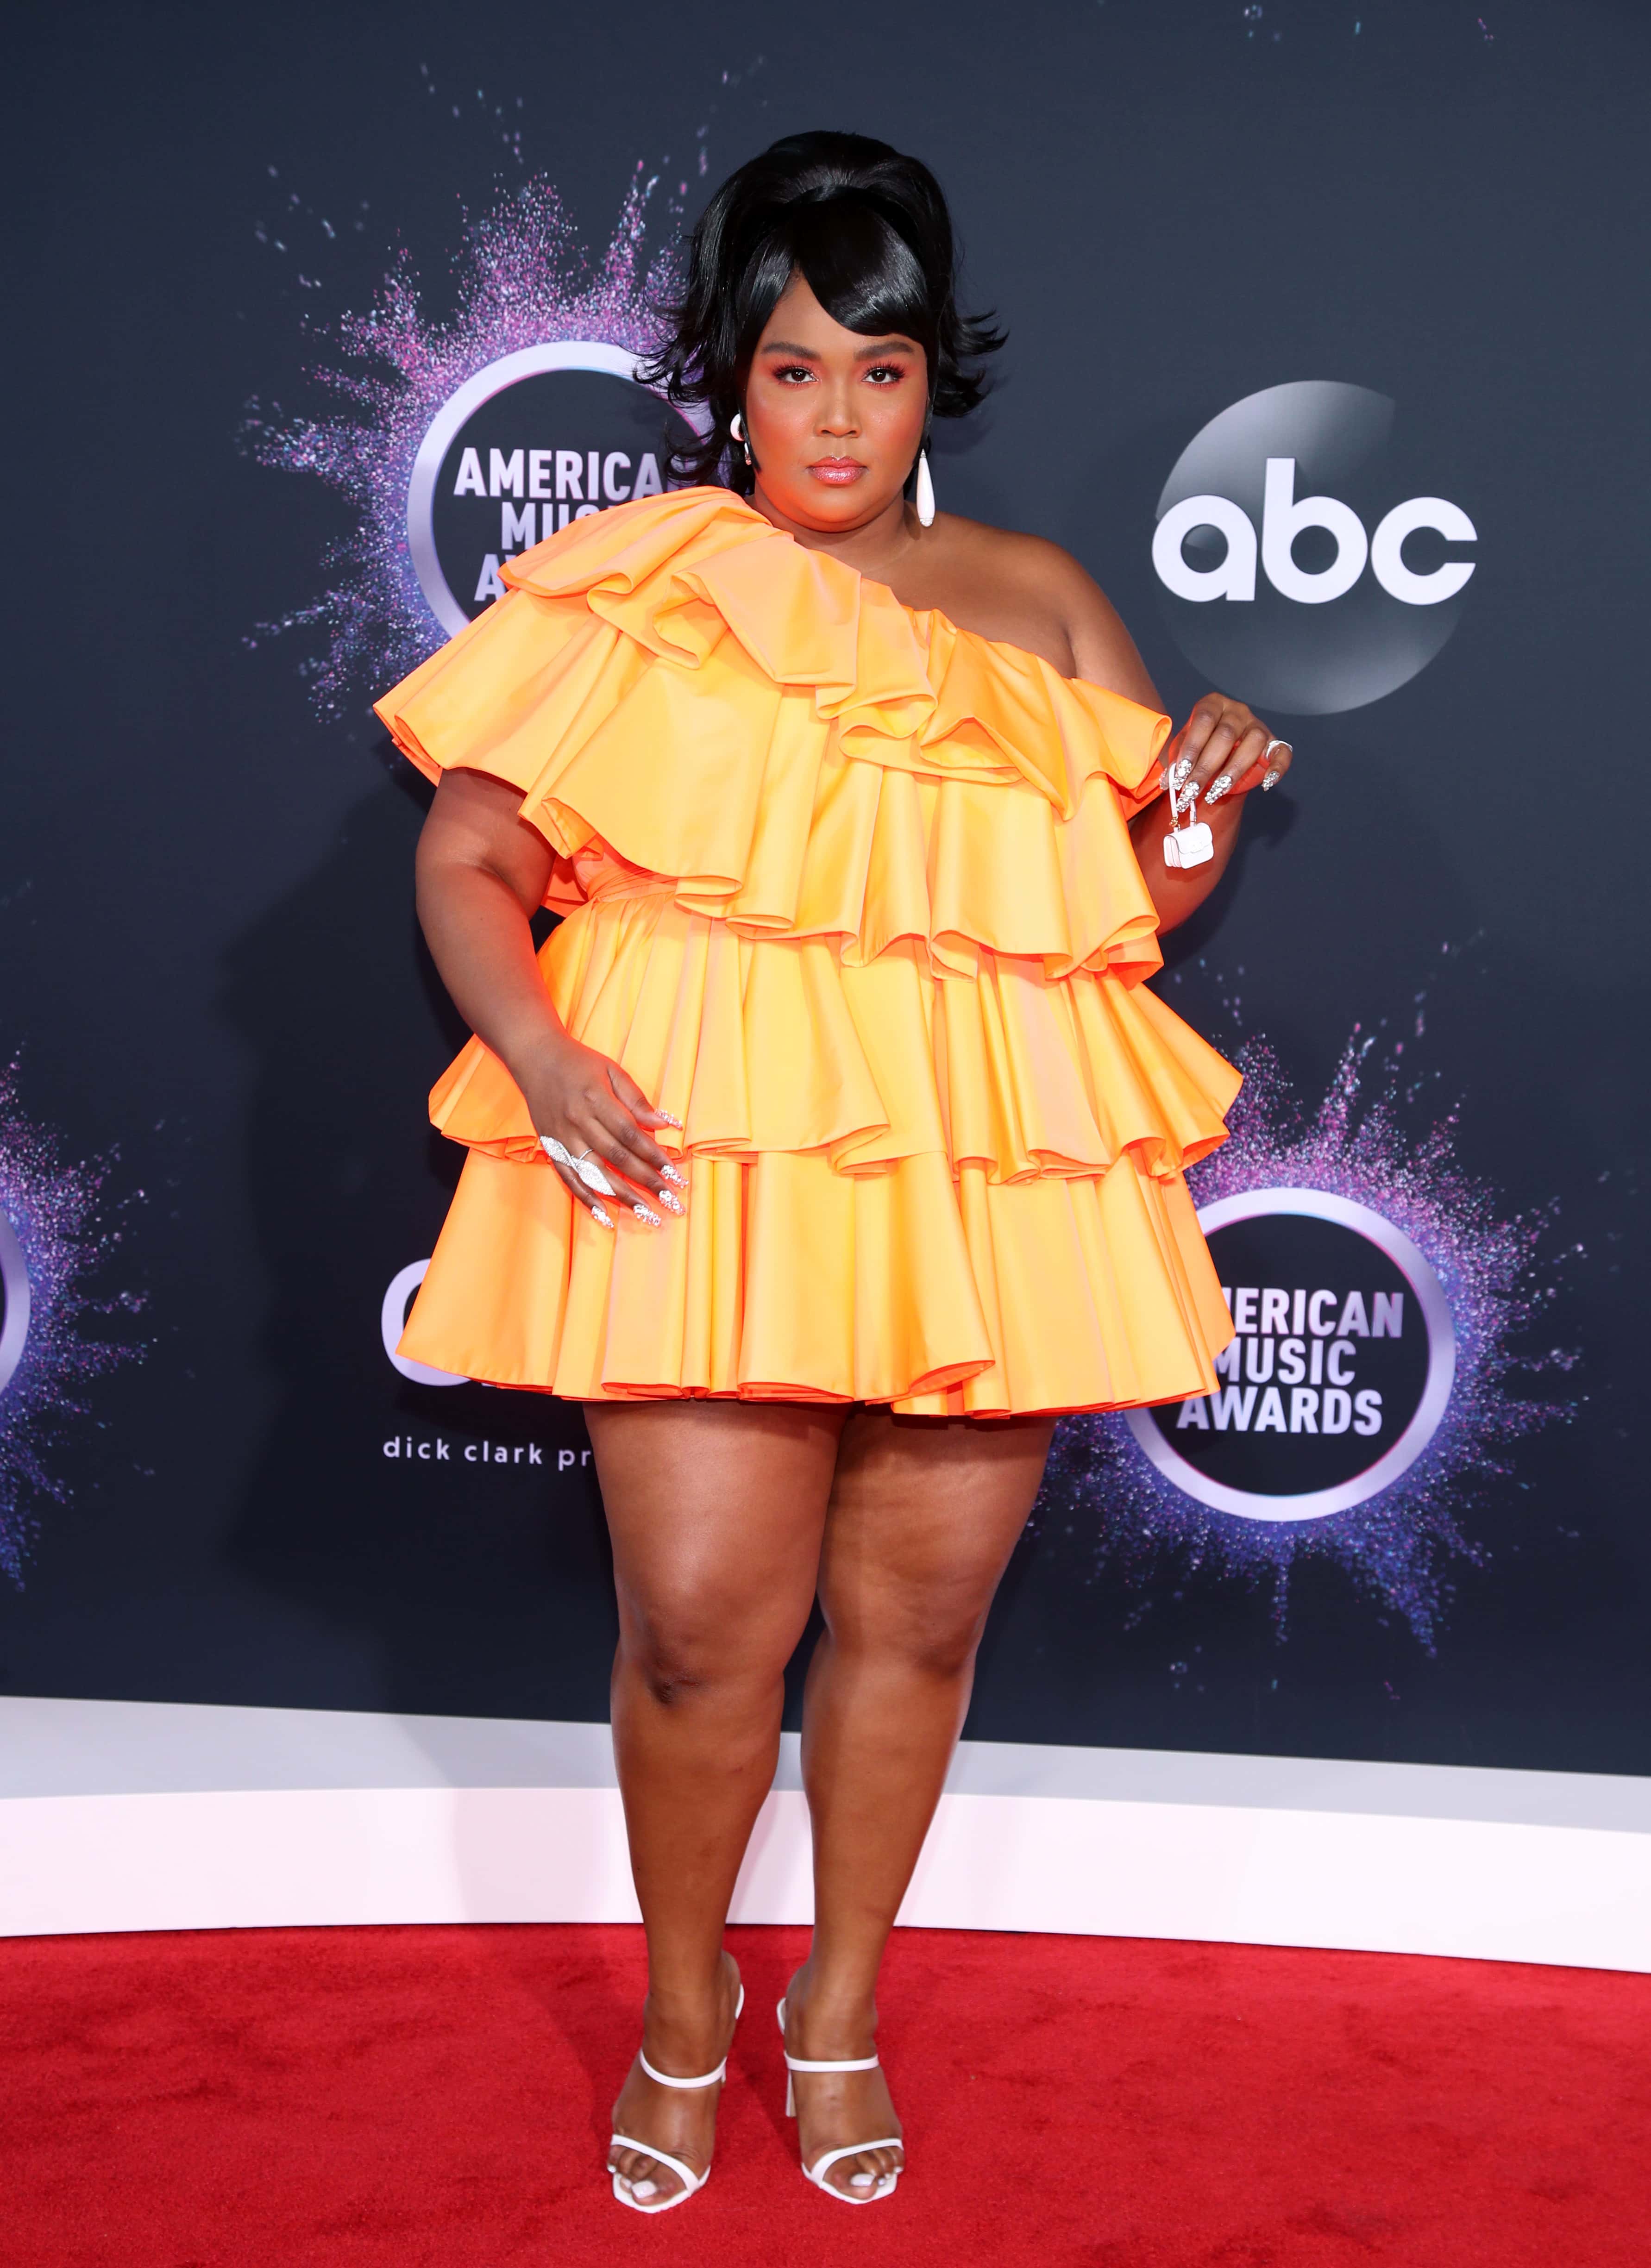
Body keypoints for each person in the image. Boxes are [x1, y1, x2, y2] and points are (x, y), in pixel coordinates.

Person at [377, 130, 1293, 2213]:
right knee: (703, 1625)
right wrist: (537, 1050)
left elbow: (1128, 903)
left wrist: (1196, 797)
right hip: (700, 1162)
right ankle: (684, 2013)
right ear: (730, 370)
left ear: (928, 382)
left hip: (976, 1171)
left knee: (920, 1617)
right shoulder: (641, 579)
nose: (835, 420)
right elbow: (470, 856)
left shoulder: (1040, 595)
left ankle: (843, 2011)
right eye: (794, 371)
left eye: (877, 375)